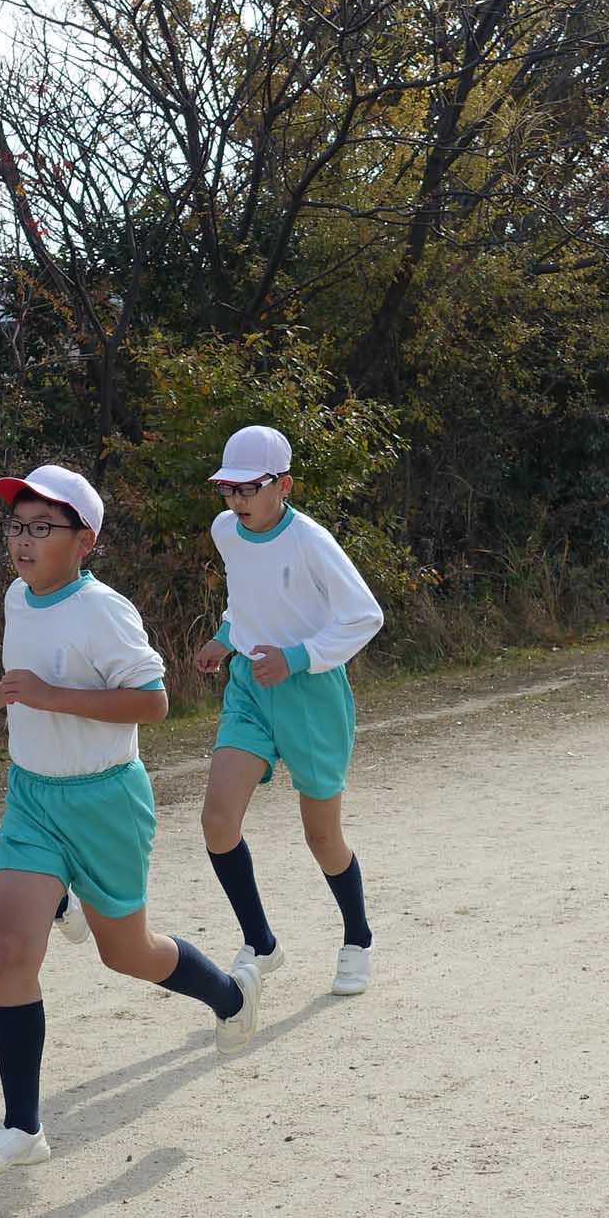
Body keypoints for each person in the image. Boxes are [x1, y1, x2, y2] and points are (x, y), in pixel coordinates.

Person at [0, 465, 263, 1174]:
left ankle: (229, 995)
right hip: (33, 799)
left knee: (128, 953)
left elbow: (152, 701)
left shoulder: (104, 611)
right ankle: (23, 1128)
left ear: (84, 540)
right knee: (13, 951)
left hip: (106, 801)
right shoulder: (18, 597)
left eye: (42, 528)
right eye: (17, 526)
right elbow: (26, 679)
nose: (24, 541)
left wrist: (51, 698)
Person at [191, 425, 386, 997]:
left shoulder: (311, 541)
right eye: (228, 489)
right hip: (250, 687)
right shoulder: (225, 531)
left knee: (322, 838)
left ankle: (358, 939)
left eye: (248, 489)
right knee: (217, 822)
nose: (236, 501)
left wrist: (298, 658)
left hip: (313, 696)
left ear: (284, 486)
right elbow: (247, 596)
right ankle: (261, 943)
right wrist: (226, 637)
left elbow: (364, 616)